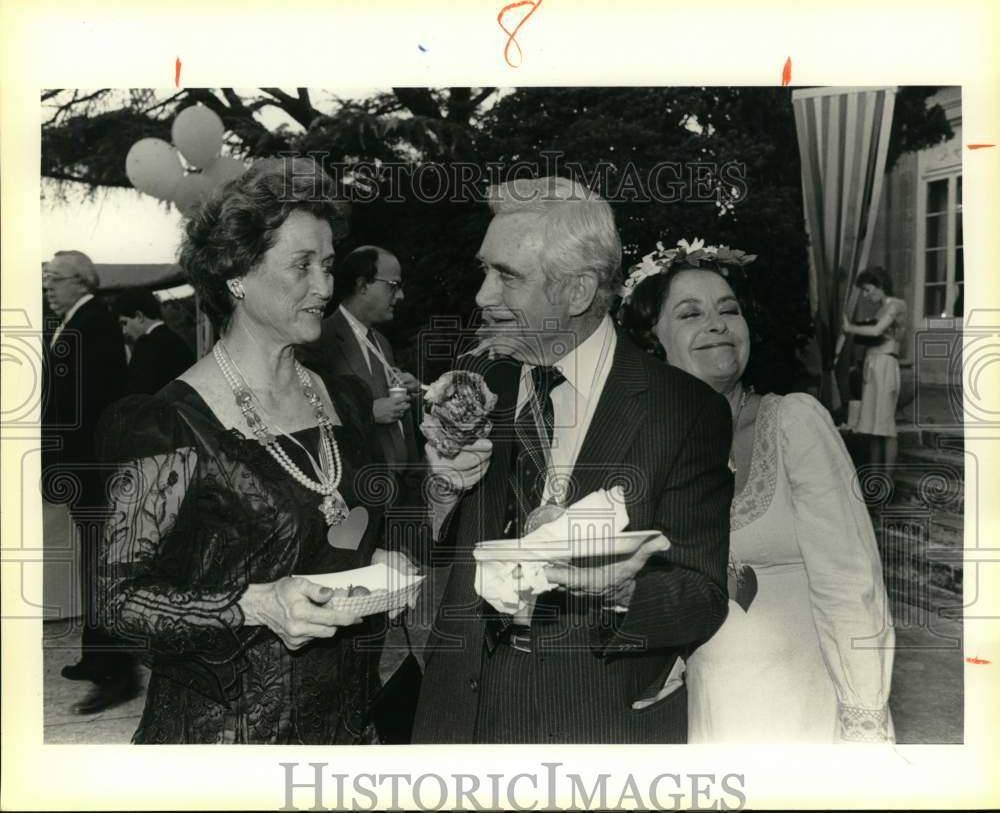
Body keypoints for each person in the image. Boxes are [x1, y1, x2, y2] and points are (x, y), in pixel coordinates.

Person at [94, 158, 417, 744]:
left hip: (342, 736)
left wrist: (407, 537)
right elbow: (118, 602)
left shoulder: (342, 399)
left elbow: (356, 527)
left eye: (326, 264)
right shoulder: (168, 425)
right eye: (302, 266)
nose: (324, 286)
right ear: (237, 275)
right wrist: (253, 604)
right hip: (223, 749)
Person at [411, 178, 734, 744]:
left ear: (579, 290)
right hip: (460, 718)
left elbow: (702, 598)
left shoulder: (683, 410)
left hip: (594, 722)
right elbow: (427, 546)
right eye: (485, 271)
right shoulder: (477, 380)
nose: (483, 296)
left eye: (506, 276)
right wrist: (442, 493)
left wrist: (620, 589)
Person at [620, 248, 895, 743]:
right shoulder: (645, 449)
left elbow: (852, 581)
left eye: (729, 309)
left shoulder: (794, 421)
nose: (717, 324)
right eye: (690, 314)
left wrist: (864, 715)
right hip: (711, 708)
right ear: (652, 341)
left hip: (809, 704)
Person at [41, 250, 138, 714]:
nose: (48, 287)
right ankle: (97, 656)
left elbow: (82, 408)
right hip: (87, 468)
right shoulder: (83, 322)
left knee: (102, 568)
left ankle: (117, 671)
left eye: (55, 279)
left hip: (93, 470)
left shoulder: (91, 325)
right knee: (94, 565)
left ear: (81, 281)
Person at [297, 246, 420, 477]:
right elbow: (307, 417)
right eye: (393, 286)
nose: (401, 296)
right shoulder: (319, 339)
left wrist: (414, 392)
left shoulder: (381, 342)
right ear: (362, 285)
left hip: (399, 489)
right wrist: (369, 413)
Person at [841, 267, 907, 481]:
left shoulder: (896, 305)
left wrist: (848, 327)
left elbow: (877, 331)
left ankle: (887, 480)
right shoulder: (880, 309)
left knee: (886, 426)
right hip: (873, 366)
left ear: (880, 286)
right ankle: (876, 478)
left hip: (886, 366)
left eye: (868, 290)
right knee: (873, 427)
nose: (865, 295)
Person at [113, 287, 195, 394]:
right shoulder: (177, 339)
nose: (124, 331)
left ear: (139, 316)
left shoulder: (146, 344)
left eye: (124, 323)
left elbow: (136, 394)